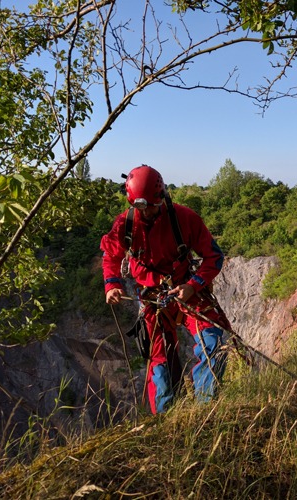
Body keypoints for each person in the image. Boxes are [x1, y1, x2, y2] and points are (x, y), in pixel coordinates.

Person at [100, 165, 229, 414]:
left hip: (185, 289)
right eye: (141, 206)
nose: (147, 212)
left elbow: (214, 257)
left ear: (162, 198)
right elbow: (111, 256)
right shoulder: (126, 224)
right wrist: (112, 285)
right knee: (159, 363)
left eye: (151, 205)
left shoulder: (184, 219)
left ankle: (205, 412)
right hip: (151, 298)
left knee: (213, 341)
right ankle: (168, 420)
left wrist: (193, 286)